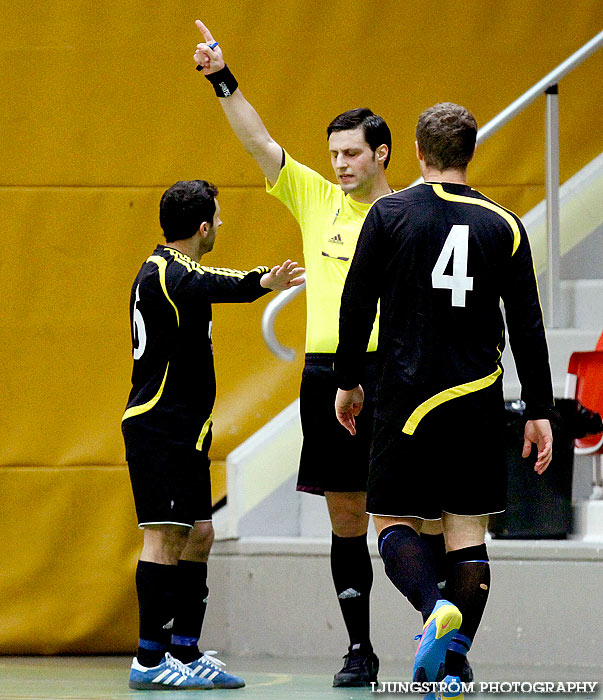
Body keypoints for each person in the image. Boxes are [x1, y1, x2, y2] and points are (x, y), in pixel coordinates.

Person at [192, 19, 454, 687]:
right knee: (345, 515)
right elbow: (258, 140)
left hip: (395, 376)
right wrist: (221, 78)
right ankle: (359, 650)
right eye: (333, 154)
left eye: (351, 155)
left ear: (383, 154)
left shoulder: (415, 213)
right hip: (327, 374)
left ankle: (441, 634)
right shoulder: (315, 199)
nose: (339, 165)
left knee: (416, 515)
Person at [334, 103, 554, 698]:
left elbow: (355, 306)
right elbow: (528, 326)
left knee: (392, 522)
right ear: (471, 151)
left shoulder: (390, 213)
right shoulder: (504, 223)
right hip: (478, 401)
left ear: (415, 149)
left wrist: (348, 381)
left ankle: (434, 611)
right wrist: (540, 410)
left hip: (406, 397)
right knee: (467, 532)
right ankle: (452, 667)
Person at [122, 179, 304, 690]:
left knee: (199, 534)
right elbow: (212, 284)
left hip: (188, 428)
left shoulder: (180, 272)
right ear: (203, 227)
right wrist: (263, 282)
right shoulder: (164, 272)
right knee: (163, 536)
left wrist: (260, 282)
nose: (221, 224)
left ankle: (186, 650)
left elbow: (205, 283)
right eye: (218, 219)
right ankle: (149, 659)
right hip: (158, 425)